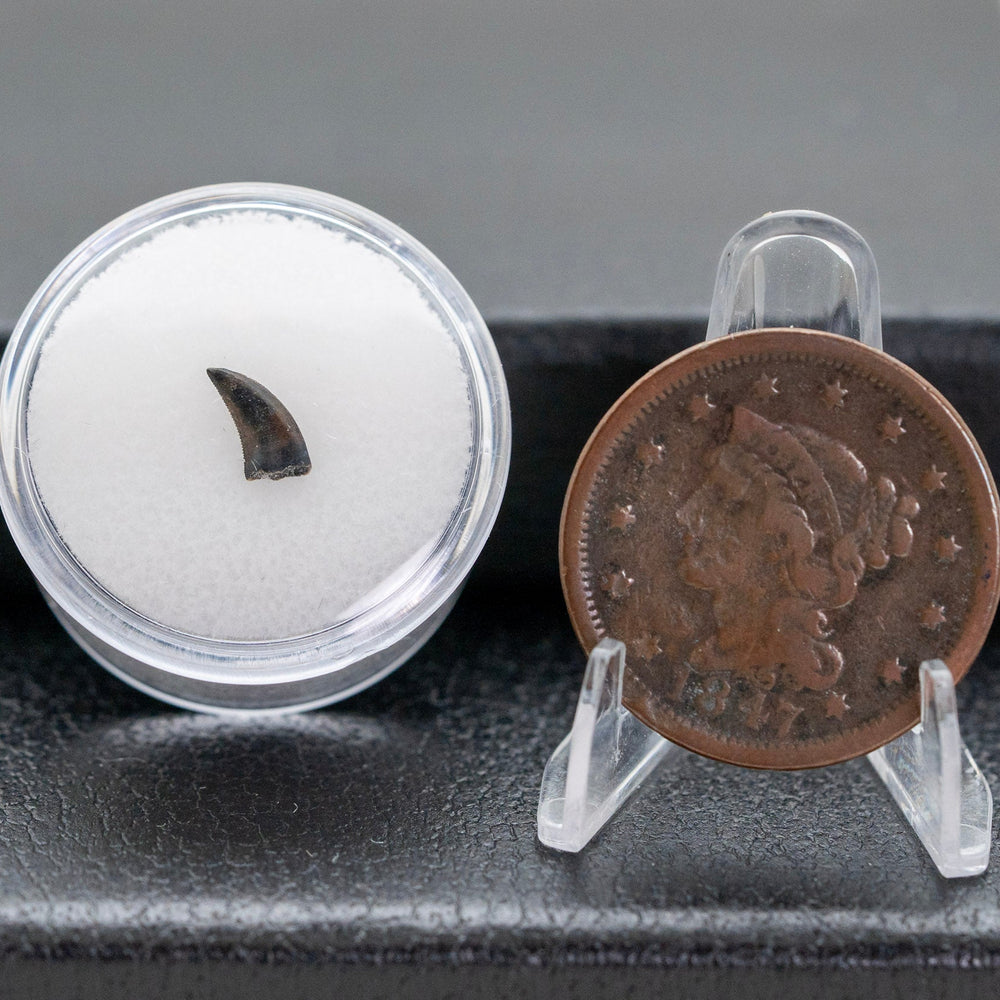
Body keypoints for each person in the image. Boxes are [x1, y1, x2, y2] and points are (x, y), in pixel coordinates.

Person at [677, 406, 918, 692]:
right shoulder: (712, 649)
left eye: (723, 499)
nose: (687, 512)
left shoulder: (754, 657)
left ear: (782, 542)